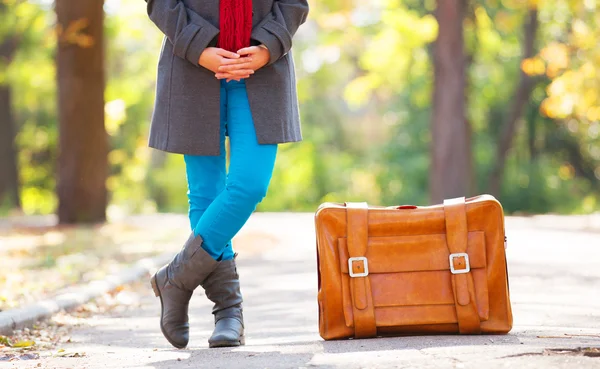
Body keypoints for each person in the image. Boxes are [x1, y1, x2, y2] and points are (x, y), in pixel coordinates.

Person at [144, 0, 309, 349]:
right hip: (192, 67)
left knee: (249, 184)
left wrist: (267, 48)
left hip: (263, 69)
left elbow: (295, 3)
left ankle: (176, 279)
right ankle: (228, 312)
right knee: (205, 193)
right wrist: (199, 48)